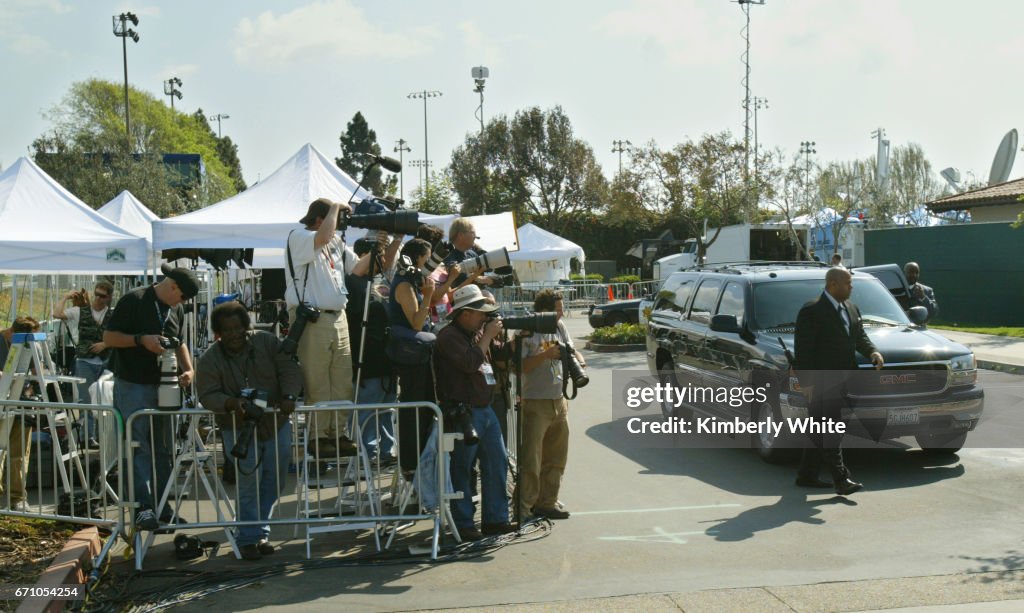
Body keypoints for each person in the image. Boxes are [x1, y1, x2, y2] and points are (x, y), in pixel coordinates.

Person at [196, 302, 302, 561]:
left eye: (238, 327)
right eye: (226, 329)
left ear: (246, 326)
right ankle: (248, 537)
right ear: (218, 332)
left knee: (274, 479)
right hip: (237, 427)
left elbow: (289, 368)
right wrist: (231, 403)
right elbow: (207, 394)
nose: (233, 334)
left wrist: (289, 395)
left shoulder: (267, 342)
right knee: (247, 483)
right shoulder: (211, 357)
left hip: (275, 422)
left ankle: (259, 531)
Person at [104, 263, 197, 530]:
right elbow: (109, 337)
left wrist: (189, 369)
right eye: (182, 296)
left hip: (165, 387)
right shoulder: (134, 300)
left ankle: (161, 505)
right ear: (172, 286)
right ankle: (141, 507)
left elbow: (178, 342)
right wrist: (140, 340)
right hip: (133, 384)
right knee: (137, 445)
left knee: (163, 448)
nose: (182, 302)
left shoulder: (174, 307)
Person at [285, 198, 371, 457]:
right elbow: (322, 237)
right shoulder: (298, 236)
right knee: (318, 381)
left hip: (338, 316)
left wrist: (380, 246)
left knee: (342, 381)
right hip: (313, 317)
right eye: (337, 219)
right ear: (321, 219)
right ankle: (318, 436)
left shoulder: (336, 243)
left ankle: (338, 433)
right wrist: (336, 205)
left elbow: (357, 269)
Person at [434, 285, 516, 540]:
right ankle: (463, 522)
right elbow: (470, 363)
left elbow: (499, 355)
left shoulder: (477, 332)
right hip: (463, 412)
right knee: (463, 468)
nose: (484, 317)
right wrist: (487, 336)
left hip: (485, 409)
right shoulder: (448, 337)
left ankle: (496, 519)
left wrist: (516, 335)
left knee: (496, 463)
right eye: (480, 312)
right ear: (465, 313)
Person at [794, 267, 884, 496]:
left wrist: (872, 351)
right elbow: (803, 351)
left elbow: (859, 336)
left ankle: (807, 474)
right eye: (848, 283)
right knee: (832, 430)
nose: (851, 287)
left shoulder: (851, 309)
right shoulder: (812, 310)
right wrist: (806, 383)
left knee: (818, 430)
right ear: (833, 284)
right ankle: (841, 479)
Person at [516, 289, 584, 521]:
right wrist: (546, 356)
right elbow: (519, 367)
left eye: (562, 310)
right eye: (556, 310)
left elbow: (571, 349)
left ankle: (547, 502)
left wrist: (579, 362)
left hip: (559, 399)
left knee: (556, 457)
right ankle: (523, 508)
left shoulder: (559, 327)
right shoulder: (528, 330)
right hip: (536, 401)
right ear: (543, 310)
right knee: (531, 460)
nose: (560, 314)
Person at [346, 233, 402, 463]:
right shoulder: (353, 285)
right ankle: (365, 453)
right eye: (376, 257)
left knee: (386, 411)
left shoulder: (378, 285)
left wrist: (395, 239)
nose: (382, 263)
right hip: (366, 361)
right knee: (366, 411)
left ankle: (387, 450)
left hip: (386, 362)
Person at [53, 281, 115, 445]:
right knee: (86, 400)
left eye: (102, 296)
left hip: (106, 361)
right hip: (85, 362)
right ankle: (88, 437)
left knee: (107, 399)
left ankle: (107, 437)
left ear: (109, 297)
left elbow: (120, 336)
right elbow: (57, 314)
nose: (98, 299)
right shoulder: (80, 311)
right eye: (96, 294)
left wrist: (105, 344)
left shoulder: (113, 315)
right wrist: (66, 297)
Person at [0, 317, 41, 512]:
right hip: (2, 403)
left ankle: (18, 497)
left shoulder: (28, 344)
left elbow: (35, 371)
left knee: (19, 455)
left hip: (21, 404)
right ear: (13, 332)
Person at [443, 218, 488, 290]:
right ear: (460, 235)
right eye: (472, 233)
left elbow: (481, 283)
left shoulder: (473, 254)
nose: (475, 237)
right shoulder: (447, 257)